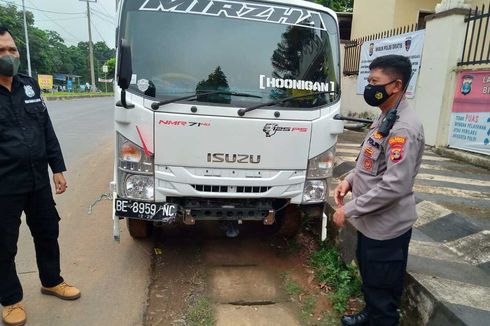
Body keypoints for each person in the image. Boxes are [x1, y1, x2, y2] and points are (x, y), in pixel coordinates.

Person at [333, 54, 424, 326]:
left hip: (387, 228)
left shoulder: (403, 128)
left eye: (375, 81)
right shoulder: (387, 116)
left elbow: (395, 185)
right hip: (371, 223)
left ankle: (379, 318)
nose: (369, 87)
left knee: (383, 292)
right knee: (372, 280)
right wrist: (349, 180)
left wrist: (349, 209)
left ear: (395, 85)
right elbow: (371, 161)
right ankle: (370, 314)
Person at [0, 27, 80, 326]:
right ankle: (10, 300)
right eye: (1, 51)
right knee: (4, 243)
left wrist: (57, 168)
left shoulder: (29, 85)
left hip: (37, 180)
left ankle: (51, 280)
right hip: (4, 184)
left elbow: (46, 129)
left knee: (47, 232)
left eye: (12, 50)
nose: (8, 56)